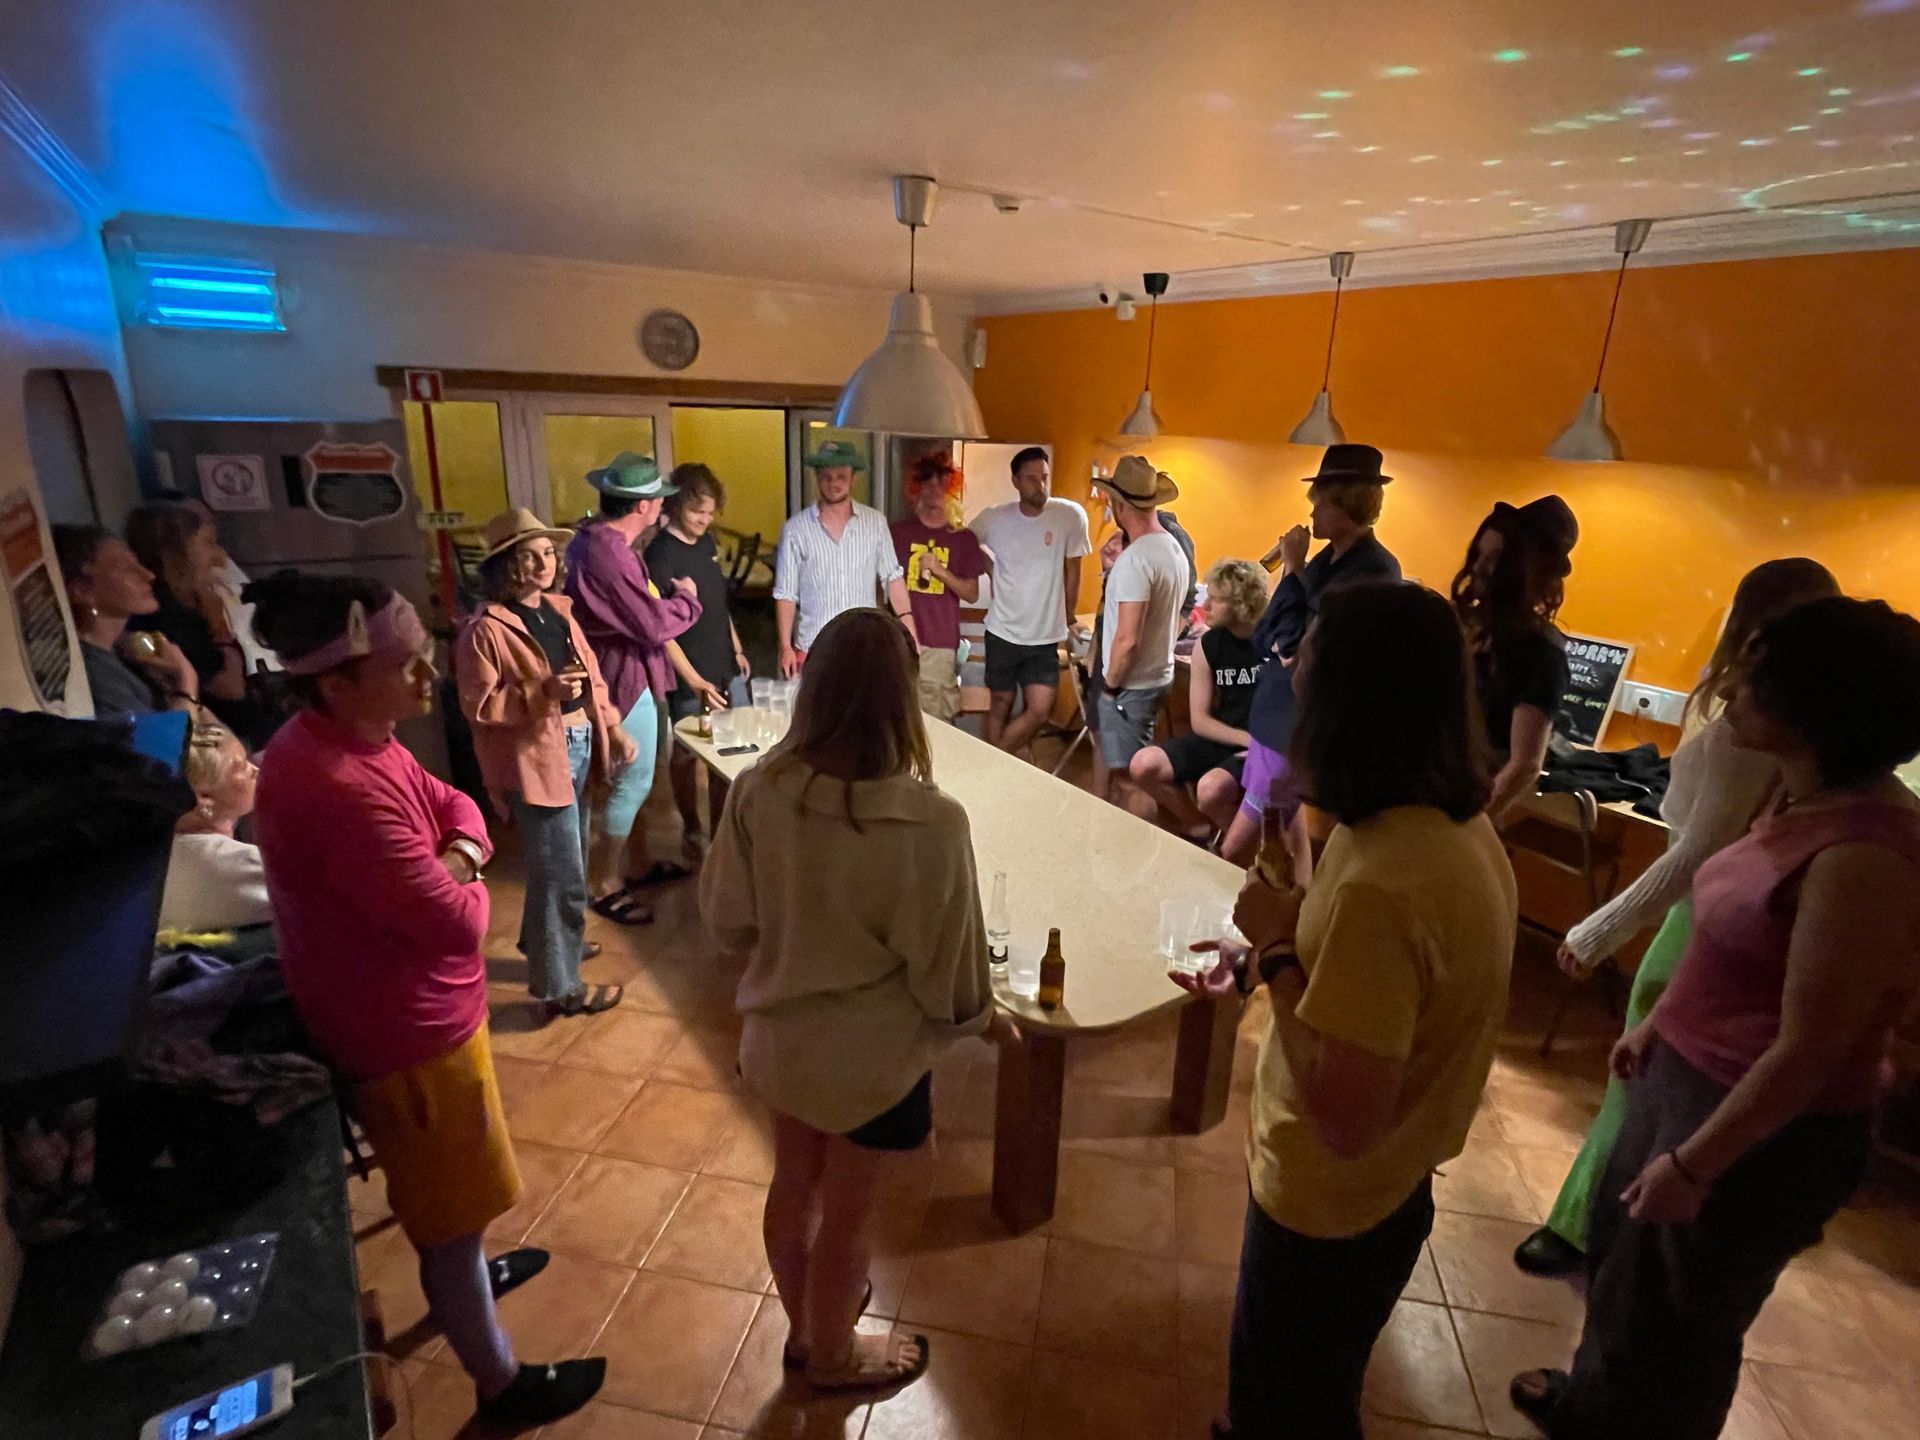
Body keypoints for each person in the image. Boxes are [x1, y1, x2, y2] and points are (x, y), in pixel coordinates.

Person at [1509, 596, 1920, 1440]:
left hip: (1752, 1135)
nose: (1728, 687)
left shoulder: (1865, 855)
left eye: (1754, 676)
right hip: (1688, 1088)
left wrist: (1696, 1166)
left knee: (1683, 1329)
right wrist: (1659, 1029)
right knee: (1627, 1279)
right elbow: (1739, 948)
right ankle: (1592, 1405)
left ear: (1816, 708)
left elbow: (1812, 1050)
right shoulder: (1801, 797)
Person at [247, 570, 604, 1425]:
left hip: (416, 1009)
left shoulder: (359, 739)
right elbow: (457, 922)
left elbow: (457, 804)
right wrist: (466, 863)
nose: (427, 677)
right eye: (405, 665)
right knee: (447, 1216)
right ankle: (500, 1380)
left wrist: (459, 849)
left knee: (459, 1194)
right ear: (334, 679)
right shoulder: (336, 784)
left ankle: (469, 1274)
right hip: (404, 1030)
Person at [1176, 581, 1517, 1440]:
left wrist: (1281, 954)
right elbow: (1357, 983)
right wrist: (1267, 950)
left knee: (1291, 1405)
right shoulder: (1448, 830)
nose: (1291, 678)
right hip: (1389, 1191)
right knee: (1309, 1385)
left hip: (1328, 1204)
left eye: (1309, 673)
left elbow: (1343, 1115)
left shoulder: (1385, 884)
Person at [1513, 558, 1840, 1278]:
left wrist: (1596, 931)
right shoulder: (1796, 742)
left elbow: (1695, 855)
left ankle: (1584, 1230)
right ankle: (1606, 1234)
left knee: (1640, 1091)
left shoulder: (1742, 736)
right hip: (1721, 915)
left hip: (1701, 920)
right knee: (1654, 1092)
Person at [698, 608, 991, 1394]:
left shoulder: (760, 791)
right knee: (850, 1220)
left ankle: (804, 1329)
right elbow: (951, 975)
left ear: (814, 689)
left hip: (780, 1041)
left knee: (793, 1184)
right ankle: (831, 1354)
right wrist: (973, 1021)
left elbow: (728, 918)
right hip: (873, 1063)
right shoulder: (932, 821)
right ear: (904, 700)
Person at [456, 508, 636, 1016]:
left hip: (576, 747)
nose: (543, 563)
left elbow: (593, 678)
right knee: (562, 872)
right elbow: (479, 705)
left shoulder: (559, 612)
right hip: (535, 760)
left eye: (548, 553)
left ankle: (552, 948)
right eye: (529, 556)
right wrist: (542, 693)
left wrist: (614, 725)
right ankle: (559, 987)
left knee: (564, 858)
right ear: (505, 567)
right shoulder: (484, 630)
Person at [1227, 443, 1400, 864]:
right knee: (1289, 828)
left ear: (1347, 504)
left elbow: (1289, 646)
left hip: (1299, 727)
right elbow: (1266, 634)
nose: (1311, 514)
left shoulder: (1373, 570)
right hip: (1274, 721)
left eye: (1319, 502)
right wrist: (1298, 579)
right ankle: (1300, 911)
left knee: (1236, 846)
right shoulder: (1325, 562)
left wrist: (1292, 570)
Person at [563, 453, 702, 923]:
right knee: (633, 776)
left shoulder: (594, 543)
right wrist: (688, 601)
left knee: (637, 777)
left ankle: (638, 863)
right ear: (642, 507)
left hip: (628, 671)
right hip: (623, 675)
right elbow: (649, 623)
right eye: (656, 501)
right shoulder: (609, 551)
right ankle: (604, 881)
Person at [643, 464, 752, 855]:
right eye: (696, 513)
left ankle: (723, 828)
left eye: (709, 513)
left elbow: (718, 603)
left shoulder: (707, 544)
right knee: (689, 752)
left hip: (721, 659)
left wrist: (736, 647)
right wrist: (691, 678)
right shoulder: (660, 553)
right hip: (688, 670)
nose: (704, 521)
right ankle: (691, 828)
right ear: (675, 506)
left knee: (728, 748)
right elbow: (661, 629)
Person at [1450, 495, 1578, 819]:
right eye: (1479, 554)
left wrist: (1471, 829)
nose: (1478, 568)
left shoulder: (1539, 653)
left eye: (1494, 560)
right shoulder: (1466, 626)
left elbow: (1524, 766)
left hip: (1465, 806)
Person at [1128, 558, 1267, 839]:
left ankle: (1244, 855)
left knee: (1210, 789)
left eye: (1215, 600)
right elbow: (1201, 721)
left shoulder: (1274, 641)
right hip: (1229, 737)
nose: (1205, 607)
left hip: (1267, 746)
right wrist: (1243, 739)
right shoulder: (1209, 644)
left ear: (1241, 604)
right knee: (1143, 765)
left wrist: (1260, 744)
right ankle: (1197, 826)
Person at [970, 446, 1090, 757]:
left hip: (1045, 637)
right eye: (1032, 479)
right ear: (1016, 481)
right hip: (1002, 631)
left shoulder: (1070, 516)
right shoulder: (995, 519)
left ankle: (992, 763)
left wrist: (1070, 616)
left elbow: (1073, 570)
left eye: (1045, 478)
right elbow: (965, 543)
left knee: (1040, 709)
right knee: (1000, 703)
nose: (1041, 486)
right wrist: (991, 567)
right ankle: (1000, 767)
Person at [125, 501, 276, 748]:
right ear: (178, 553)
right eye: (208, 543)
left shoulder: (172, 607)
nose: (220, 556)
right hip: (226, 742)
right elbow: (230, 687)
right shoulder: (169, 615)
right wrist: (219, 626)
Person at [1093, 456, 1188, 810]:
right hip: (1158, 675)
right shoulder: (1172, 547)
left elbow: (1127, 639)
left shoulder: (1136, 560)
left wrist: (1109, 687)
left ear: (1119, 505)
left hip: (1131, 687)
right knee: (1138, 773)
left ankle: (1146, 853)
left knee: (1130, 781)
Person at [774, 440, 915, 678]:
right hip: (813, 646)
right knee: (812, 715)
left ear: (853, 479)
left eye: (841, 476)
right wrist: (786, 646)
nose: (833, 483)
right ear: (817, 478)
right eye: (826, 477)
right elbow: (786, 593)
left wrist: (909, 630)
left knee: (862, 715)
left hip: (864, 647)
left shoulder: (875, 523)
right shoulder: (795, 529)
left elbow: (892, 578)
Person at [51, 524, 200, 721]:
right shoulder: (93, 674)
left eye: (137, 563)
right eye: (126, 569)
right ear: (82, 590)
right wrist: (186, 680)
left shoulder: (123, 649)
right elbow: (162, 749)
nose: (148, 575)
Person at [891, 451, 987, 722]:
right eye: (928, 482)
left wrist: (940, 571)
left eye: (941, 482)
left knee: (937, 723)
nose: (935, 490)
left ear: (951, 486)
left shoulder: (964, 539)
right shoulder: (897, 533)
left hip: (940, 643)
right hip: (899, 641)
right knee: (899, 716)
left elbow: (971, 593)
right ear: (916, 487)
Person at [158, 719, 272, 933]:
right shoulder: (231, 862)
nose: (255, 769)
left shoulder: (162, 850)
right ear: (204, 798)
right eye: (240, 766)